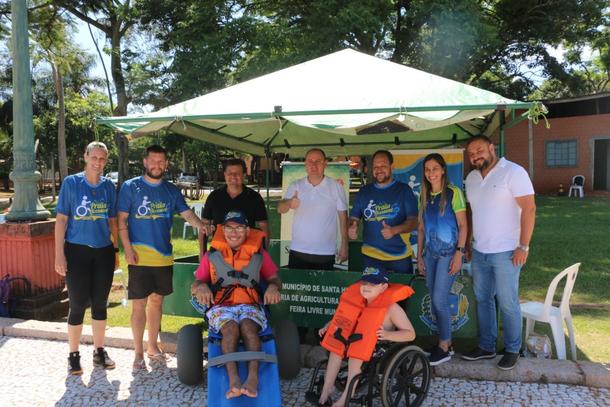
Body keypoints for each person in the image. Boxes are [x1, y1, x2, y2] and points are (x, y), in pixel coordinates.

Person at [117, 144, 207, 370]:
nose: (157, 165)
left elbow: (187, 215)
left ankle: (152, 346)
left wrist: (204, 226)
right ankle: (138, 352)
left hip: (164, 258)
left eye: (161, 161)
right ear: (145, 162)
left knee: (157, 302)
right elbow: (121, 222)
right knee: (139, 305)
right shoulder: (130, 187)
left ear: (166, 164)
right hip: (138, 257)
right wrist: (127, 249)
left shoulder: (171, 190)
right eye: (153, 161)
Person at [461, 135, 536, 370]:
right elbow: (473, 213)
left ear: (492, 148)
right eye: (471, 154)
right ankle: (487, 346)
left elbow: (529, 208)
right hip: (480, 250)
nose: (476, 156)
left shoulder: (513, 171)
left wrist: (523, 245)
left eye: (480, 150)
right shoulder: (471, 178)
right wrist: (468, 243)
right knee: (483, 300)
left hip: (507, 252)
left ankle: (513, 349)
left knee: (507, 302)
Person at [191, 210, 282, 399]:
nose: (234, 232)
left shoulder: (259, 254)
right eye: (229, 227)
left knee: (249, 327)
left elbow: (275, 279)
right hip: (221, 307)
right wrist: (200, 288)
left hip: (250, 305)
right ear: (222, 230)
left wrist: (273, 287)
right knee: (231, 328)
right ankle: (233, 380)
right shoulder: (211, 256)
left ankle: (253, 378)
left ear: (248, 231)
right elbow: (196, 283)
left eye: (239, 227)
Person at [54, 141, 119, 375]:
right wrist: (58, 254)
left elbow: (112, 221)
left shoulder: (109, 186)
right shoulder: (71, 183)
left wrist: (115, 250)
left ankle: (99, 351)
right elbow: (61, 221)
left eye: (102, 159)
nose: (98, 162)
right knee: (78, 304)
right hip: (76, 251)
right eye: (94, 157)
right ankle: (73, 355)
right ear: (85, 156)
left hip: (103, 252)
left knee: (100, 303)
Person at [316, 267, 415, 407]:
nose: (366, 287)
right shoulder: (359, 301)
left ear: (383, 287)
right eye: (364, 283)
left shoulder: (392, 309)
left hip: (379, 346)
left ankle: (346, 396)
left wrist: (388, 334)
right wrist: (329, 325)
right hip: (354, 339)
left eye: (372, 284)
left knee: (356, 355)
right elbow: (344, 319)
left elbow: (410, 334)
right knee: (336, 347)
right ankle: (328, 386)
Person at [416, 153, 467, 366]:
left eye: (435, 169)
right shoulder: (424, 194)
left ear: (443, 170)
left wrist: (459, 252)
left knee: (439, 299)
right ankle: (444, 342)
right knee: (435, 300)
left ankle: (444, 346)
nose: (431, 173)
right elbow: (421, 227)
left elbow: (463, 225)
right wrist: (419, 256)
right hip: (430, 255)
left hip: (449, 255)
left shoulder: (453, 193)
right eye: (427, 170)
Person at [348, 150, 418, 273]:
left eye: (383, 166)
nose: (379, 169)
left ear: (392, 167)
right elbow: (354, 218)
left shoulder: (404, 190)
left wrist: (394, 230)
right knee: (371, 292)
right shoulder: (364, 192)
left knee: (401, 292)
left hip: (399, 257)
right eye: (376, 167)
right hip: (371, 257)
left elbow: (414, 221)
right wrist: (352, 226)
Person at [278, 148, 348, 270]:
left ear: (325, 163)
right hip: (298, 250)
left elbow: (343, 218)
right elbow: (280, 209)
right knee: (297, 288)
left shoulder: (336, 187)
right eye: (310, 161)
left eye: (318, 161)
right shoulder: (296, 185)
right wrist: (289, 202)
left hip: (325, 252)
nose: (314, 165)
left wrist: (345, 244)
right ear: (305, 164)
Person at [201, 158, 269, 245]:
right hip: (219, 252)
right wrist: (202, 253)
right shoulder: (214, 197)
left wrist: (264, 253)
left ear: (244, 175)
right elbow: (204, 225)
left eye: (237, 173)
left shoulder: (254, 197)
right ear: (225, 175)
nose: (233, 176)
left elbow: (264, 227)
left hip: (247, 252)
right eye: (230, 173)